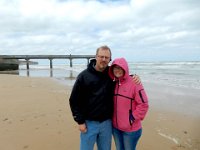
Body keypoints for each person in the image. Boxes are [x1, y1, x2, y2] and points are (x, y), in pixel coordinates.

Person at [69, 45, 141, 150]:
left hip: (107, 124)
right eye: (101, 56)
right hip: (89, 124)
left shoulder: (111, 75)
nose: (103, 59)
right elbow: (74, 101)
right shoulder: (84, 76)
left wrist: (134, 77)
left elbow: (123, 77)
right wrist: (80, 121)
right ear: (96, 57)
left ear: (109, 59)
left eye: (106, 57)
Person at [108, 57, 149, 150]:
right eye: (115, 68)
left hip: (130, 130)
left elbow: (144, 104)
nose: (117, 70)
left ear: (125, 68)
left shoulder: (134, 82)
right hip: (116, 128)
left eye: (120, 67)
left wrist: (131, 118)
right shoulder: (113, 83)